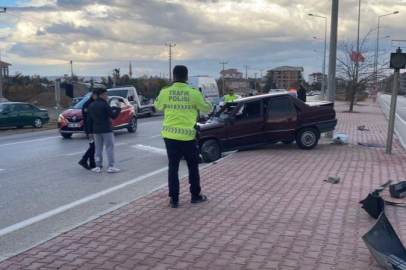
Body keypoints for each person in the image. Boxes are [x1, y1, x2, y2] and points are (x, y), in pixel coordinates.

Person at [155, 65, 212, 208]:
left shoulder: (165, 92)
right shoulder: (194, 93)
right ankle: (195, 195)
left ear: (173, 77)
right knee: (193, 166)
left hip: (169, 136)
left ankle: (174, 199)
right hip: (188, 137)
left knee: (173, 166)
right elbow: (207, 108)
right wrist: (208, 101)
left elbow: (158, 107)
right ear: (187, 77)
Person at [87, 89, 121, 173]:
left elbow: (89, 120)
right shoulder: (105, 105)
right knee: (109, 148)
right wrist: (118, 109)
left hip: (96, 130)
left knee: (98, 149)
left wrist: (90, 132)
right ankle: (111, 166)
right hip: (106, 129)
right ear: (101, 95)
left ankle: (98, 166)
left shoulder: (91, 105)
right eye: (105, 94)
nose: (107, 96)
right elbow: (113, 116)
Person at [78, 90, 97, 170]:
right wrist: (90, 131)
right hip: (89, 129)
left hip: (93, 128)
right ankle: (84, 159)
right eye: (97, 95)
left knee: (93, 145)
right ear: (93, 95)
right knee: (93, 145)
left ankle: (92, 163)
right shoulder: (88, 104)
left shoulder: (93, 103)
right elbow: (86, 119)